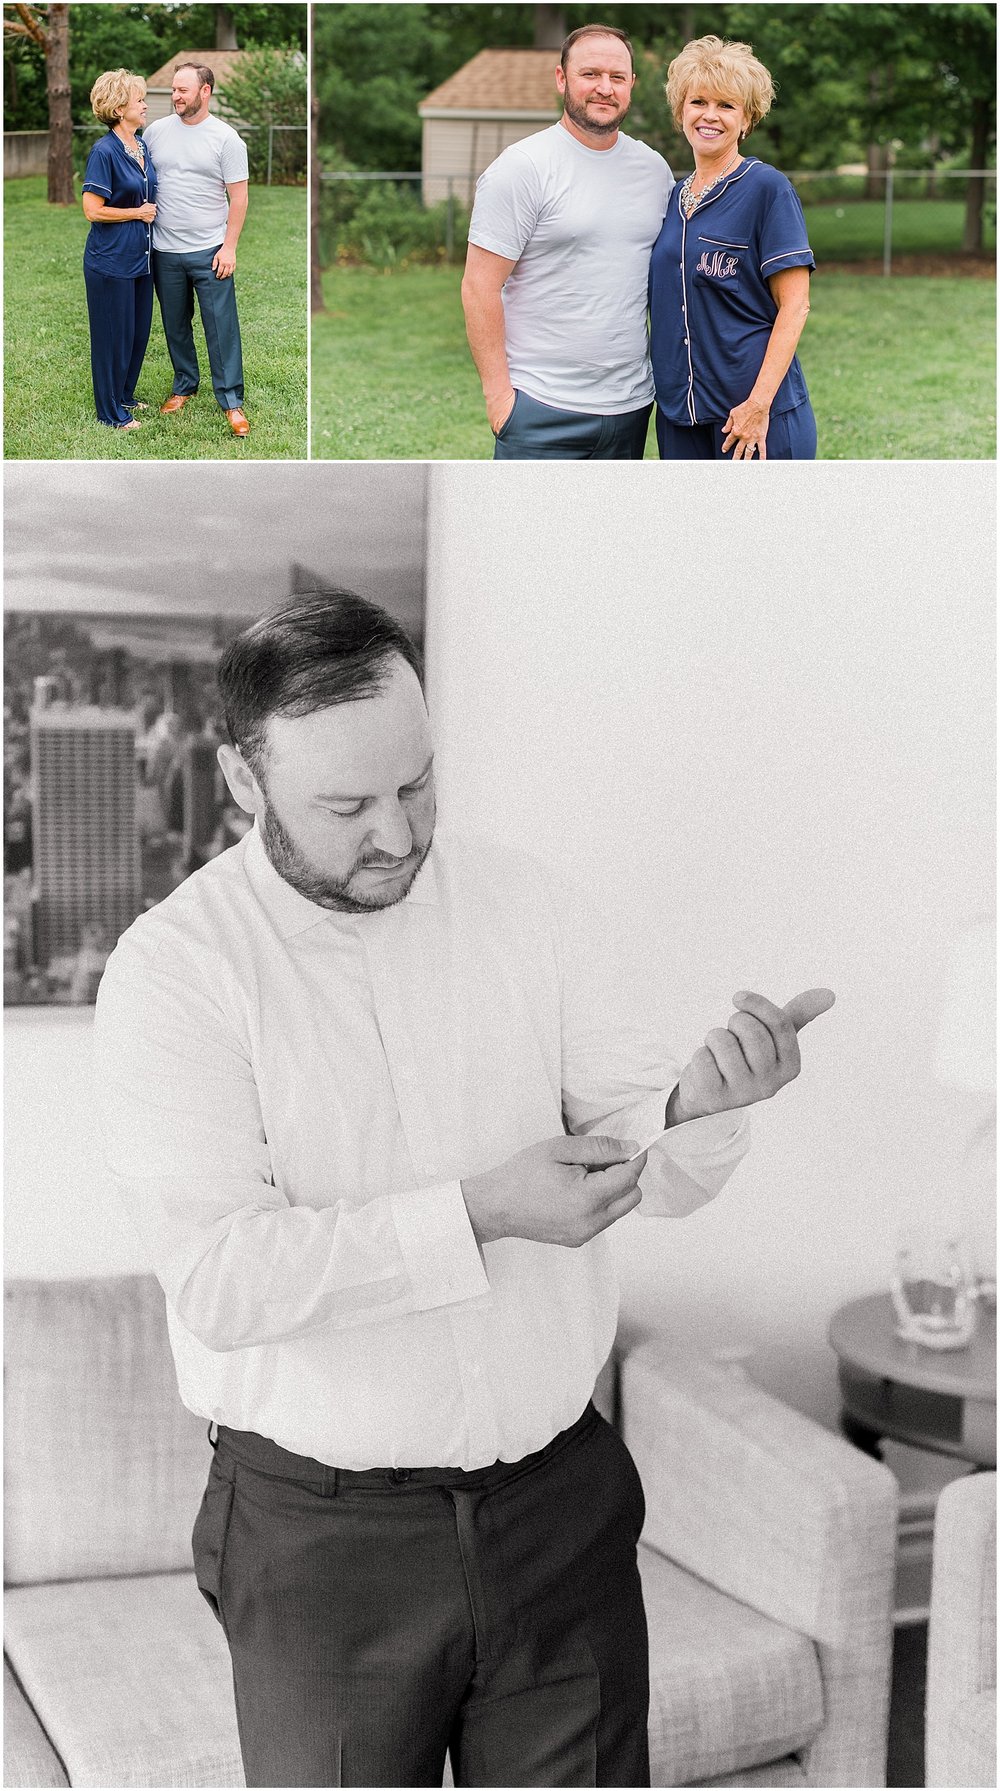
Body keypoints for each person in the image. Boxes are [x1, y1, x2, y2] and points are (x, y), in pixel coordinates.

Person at [94, 591, 835, 1789]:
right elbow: (223, 1280)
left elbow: (636, 1143)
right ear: (242, 779)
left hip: (560, 1511)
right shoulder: (175, 976)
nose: (397, 832)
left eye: (418, 785)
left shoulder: (528, 905)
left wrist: (700, 1110)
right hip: (321, 1543)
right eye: (347, 806)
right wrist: (479, 1212)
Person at [462, 24, 673, 460]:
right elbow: (479, 285)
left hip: (630, 406)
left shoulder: (654, 171)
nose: (604, 88)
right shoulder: (522, 168)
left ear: (632, 85)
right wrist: (501, 399)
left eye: (617, 77)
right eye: (590, 74)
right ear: (562, 78)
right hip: (539, 406)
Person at [648, 36, 817, 461]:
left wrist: (758, 406)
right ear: (680, 112)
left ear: (747, 120)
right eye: (698, 102)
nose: (710, 115)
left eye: (726, 106)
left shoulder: (767, 189)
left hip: (753, 417)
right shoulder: (671, 198)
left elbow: (794, 307)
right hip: (680, 415)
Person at [141, 63, 251, 438]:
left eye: (183, 90)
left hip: (210, 250)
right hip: (164, 251)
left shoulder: (226, 139)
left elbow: (239, 198)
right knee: (175, 325)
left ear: (205, 92)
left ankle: (231, 400)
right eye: (173, 89)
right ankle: (184, 385)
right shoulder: (155, 132)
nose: (175, 96)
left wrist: (229, 247)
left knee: (220, 328)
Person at [81, 70, 157, 431]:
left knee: (137, 332)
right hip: (109, 262)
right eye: (139, 99)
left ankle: (124, 395)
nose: (145, 105)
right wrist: (136, 212)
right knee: (112, 336)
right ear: (119, 105)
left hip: (141, 258)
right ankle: (111, 413)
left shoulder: (141, 146)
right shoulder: (104, 151)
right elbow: (92, 209)